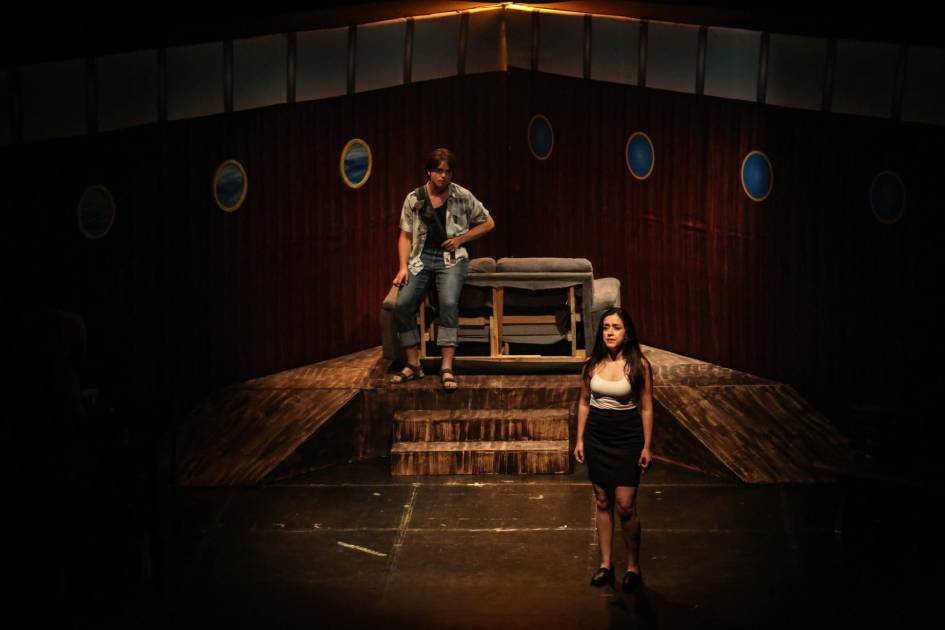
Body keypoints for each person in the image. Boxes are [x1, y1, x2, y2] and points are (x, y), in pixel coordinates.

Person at [390, 148, 495, 390]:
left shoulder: (462, 195)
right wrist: (402, 267)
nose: (443, 175)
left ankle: (447, 366)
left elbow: (489, 223)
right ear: (429, 171)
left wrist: (461, 239)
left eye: (448, 171)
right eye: (439, 171)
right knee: (402, 304)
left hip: (452, 259)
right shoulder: (414, 198)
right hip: (421, 258)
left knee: (448, 302)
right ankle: (413, 364)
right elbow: (405, 236)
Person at [574, 307, 654, 591]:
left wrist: (647, 446)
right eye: (606, 327)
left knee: (625, 505)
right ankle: (606, 564)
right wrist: (579, 439)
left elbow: (646, 407)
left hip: (627, 437)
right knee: (602, 501)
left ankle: (633, 566)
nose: (609, 332)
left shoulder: (639, 365)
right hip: (597, 437)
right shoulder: (591, 364)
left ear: (627, 333)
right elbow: (584, 402)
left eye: (616, 327)